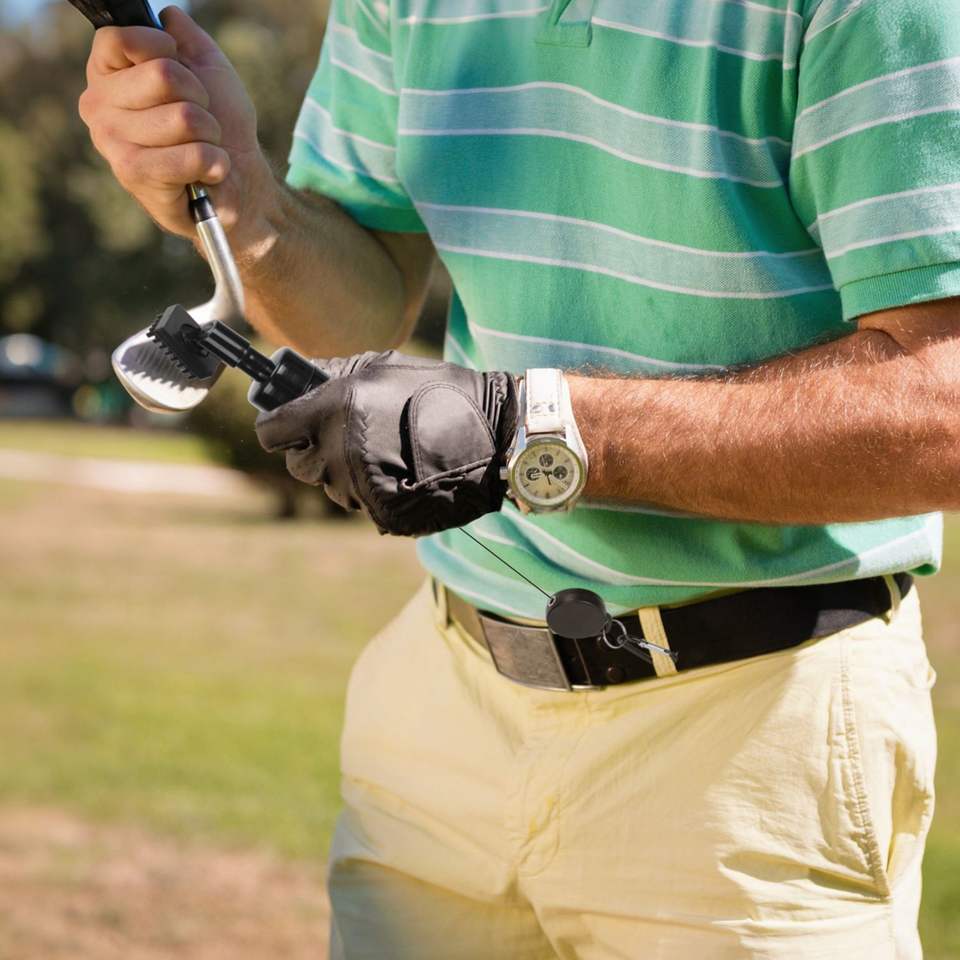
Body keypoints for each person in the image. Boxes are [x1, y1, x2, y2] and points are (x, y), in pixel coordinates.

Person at [77, 1, 956, 956]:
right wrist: (244, 196)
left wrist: (528, 429)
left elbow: (941, 405)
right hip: (443, 701)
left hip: (755, 737)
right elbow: (357, 312)